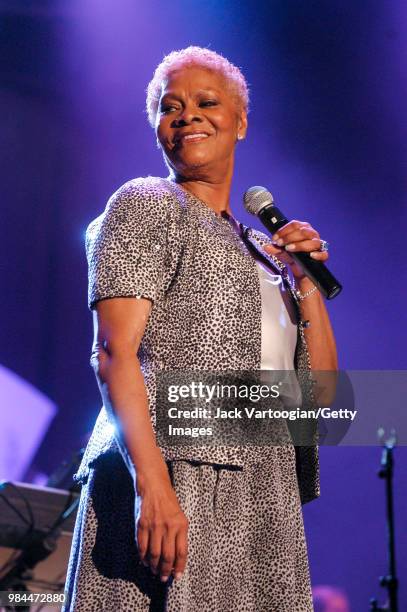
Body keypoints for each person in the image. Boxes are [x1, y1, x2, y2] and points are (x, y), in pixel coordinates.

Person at [64, 46, 338, 611]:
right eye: (170, 107)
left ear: (241, 122)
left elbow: (321, 400)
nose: (187, 115)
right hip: (176, 469)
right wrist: (152, 485)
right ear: (158, 129)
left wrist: (302, 277)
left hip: (264, 488)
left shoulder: (263, 251)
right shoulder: (146, 204)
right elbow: (115, 353)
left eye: (207, 102)